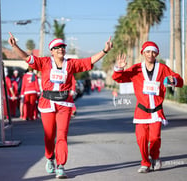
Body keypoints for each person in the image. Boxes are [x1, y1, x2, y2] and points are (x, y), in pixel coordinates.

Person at [8, 33, 112, 179]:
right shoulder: (44, 62)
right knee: (49, 135)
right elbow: (27, 58)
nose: (60, 50)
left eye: (62, 47)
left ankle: (61, 165)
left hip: (64, 104)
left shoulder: (70, 64)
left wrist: (105, 51)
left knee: (62, 135)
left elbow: (88, 61)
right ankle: (50, 158)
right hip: (47, 103)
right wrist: (14, 46)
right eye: (57, 48)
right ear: (52, 51)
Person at [112, 41, 183, 173]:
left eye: (153, 52)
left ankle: (155, 156)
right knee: (141, 139)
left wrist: (175, 80)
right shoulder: (136, 68)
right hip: (141, 111)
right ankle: (145, 162)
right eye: (148, 51)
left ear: (157, 53)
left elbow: (179, 80)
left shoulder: (162, 68)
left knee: (155, 138)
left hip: (156, 111)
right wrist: (119, 68)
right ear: (143, 53)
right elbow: (118, 78)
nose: (150, 54)